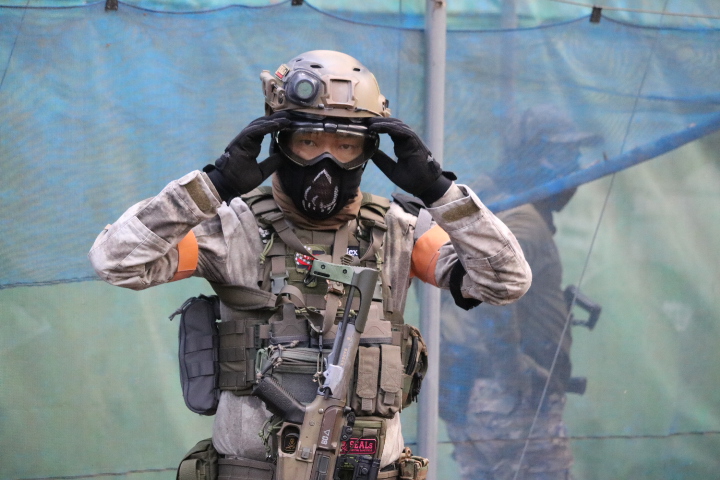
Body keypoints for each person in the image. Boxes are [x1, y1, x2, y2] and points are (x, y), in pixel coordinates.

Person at [88, 50, 531, 480]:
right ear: (280, 144)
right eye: (308, 142)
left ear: (367, 152)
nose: (325, 162)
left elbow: (505, 281)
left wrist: (440, 192)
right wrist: (212, 186)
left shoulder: (400, 230)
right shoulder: (231, 228)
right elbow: (116, 261)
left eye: (345, 145)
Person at [439, 105, 601, 480]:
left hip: (480, 390)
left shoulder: (492, 208)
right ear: (531, 156)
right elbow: (489, 294)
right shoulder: (520, 219)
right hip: (505, 398)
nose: (575, 165)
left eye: (575, 153)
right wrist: (512, 372)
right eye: (563, 153)